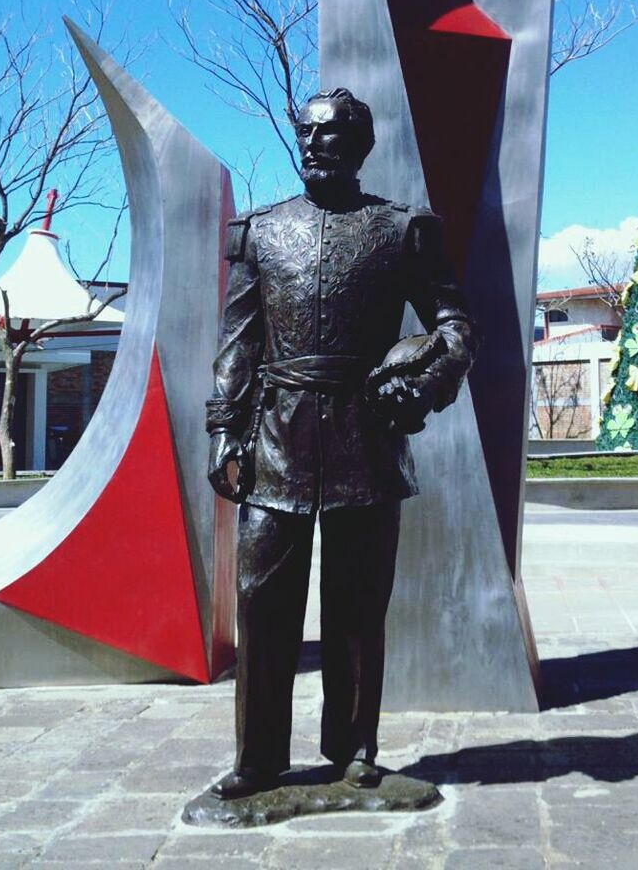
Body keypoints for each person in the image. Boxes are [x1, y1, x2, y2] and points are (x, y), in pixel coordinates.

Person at [204, 87, 476, 799]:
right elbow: (237, 345)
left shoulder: (401, 228)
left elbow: (455, 326)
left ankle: (354, 748)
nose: (311, 145)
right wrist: (223, 432)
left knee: (357, 608)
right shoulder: (260, 231)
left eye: (327, 135)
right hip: (275, 439)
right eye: (305, 133)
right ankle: (258, 757)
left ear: (359, 145)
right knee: (262, 604)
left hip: (366, 435)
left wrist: (426, 377)